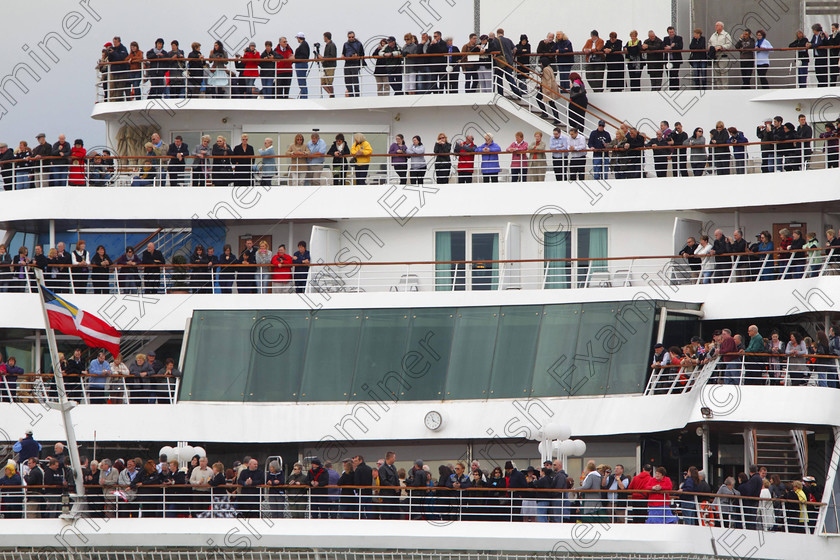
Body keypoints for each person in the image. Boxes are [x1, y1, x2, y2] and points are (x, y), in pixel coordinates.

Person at [709, 21, 734, 88]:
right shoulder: (713, 35)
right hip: (715, 56)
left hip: (723, 56)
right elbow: (709, 43)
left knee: (723, 72)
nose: (716, 26)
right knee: (716, 73)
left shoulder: (726, 35)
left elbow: (729, 44)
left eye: (717, 25)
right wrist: (711, 47)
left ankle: (724, 88)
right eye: (715, 25)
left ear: (721, 27)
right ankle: (718, 88)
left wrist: (721, 47)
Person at [537, 57, 561, 123]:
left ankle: (545, 113)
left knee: (539, 98)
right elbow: (549, 77)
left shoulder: (545, 69)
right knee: (552, 103)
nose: (540, 64)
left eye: (541, 63)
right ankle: (556, 118)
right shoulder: (549, 68)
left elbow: (548, 80)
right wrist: (542, 76)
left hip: (547, 88)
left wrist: (548, 89)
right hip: (550, 87)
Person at [342, 31, 364, 97]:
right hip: (347, 63)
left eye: (352, 37)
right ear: (348, 37)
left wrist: (357, 56)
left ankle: (357, 94)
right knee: (347, 80)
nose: (351, 38)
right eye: (349, 37)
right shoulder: (345, 44)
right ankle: (350, 94)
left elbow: (362, 54)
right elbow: (343, 53)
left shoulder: (358, 44)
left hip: (355, 63)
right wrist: (343, 56)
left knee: (355, 79)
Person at [293, 32, 310, 98]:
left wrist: (295, 58)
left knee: (302, 82)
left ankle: (304, 96)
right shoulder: (304, 44)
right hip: (301, 64)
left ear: (298, 38)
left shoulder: (303, 45)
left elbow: (304, 56)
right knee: (302, 81)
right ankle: (303, 95)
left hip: (301, 65)